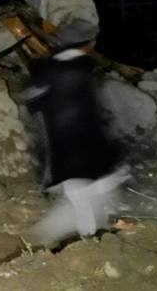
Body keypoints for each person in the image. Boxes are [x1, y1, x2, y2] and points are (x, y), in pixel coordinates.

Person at [22, 17, 130, 247]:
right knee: (93, 188)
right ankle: (88, 238)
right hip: (87, 138)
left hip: (59, 141)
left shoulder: (48, 68)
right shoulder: (87, 69)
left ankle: (82, 236)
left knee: (77, 193)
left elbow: (32, 100)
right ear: (87, 44)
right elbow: (99, 108)